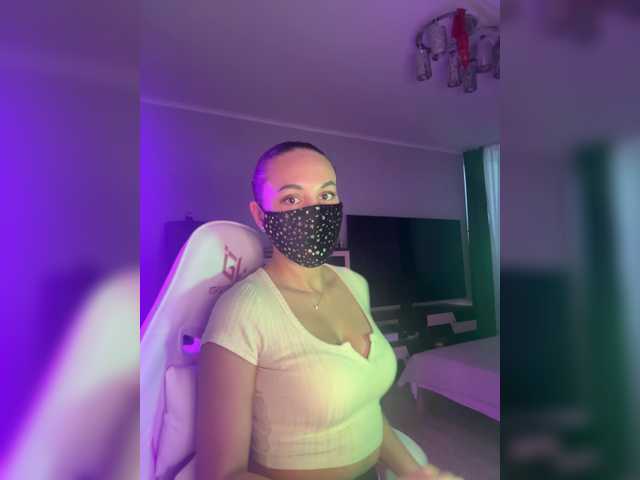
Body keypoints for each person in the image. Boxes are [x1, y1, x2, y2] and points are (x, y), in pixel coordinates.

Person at [195, 142, 462, 480]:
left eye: (326, 195)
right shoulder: (242, 310)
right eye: (292, 199)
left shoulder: (354, 283)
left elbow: (364, 408)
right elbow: (220, 474)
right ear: (260, 216)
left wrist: (415, 472)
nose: (315, 212)